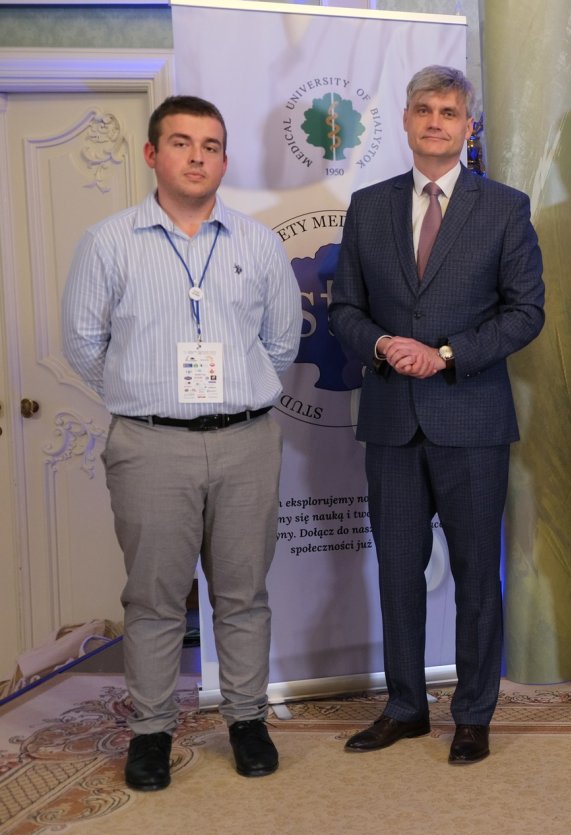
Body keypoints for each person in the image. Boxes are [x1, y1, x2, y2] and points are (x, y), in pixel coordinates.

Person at [62, 96, 301, 790]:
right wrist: (146, 393)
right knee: (155, 599)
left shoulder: (257, 244)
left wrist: (232, 395)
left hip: (245, 442)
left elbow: (281, 343)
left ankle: (247, 720)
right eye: (181, 143)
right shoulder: (108, 242)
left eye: (211, 146)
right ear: (151, 154)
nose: (198, 157)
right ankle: (151, 732)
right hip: (150, 446)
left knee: (243, 594)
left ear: (224, 159)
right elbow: (83, 343)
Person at [329, 66, 545, 765]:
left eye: (449, 112)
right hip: (391, 421)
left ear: (467, 126)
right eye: (424, 109)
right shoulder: (368, 207)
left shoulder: (504, 208)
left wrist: (447, 354)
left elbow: (526, 313)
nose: (435, 122)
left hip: (472, 419)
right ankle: (405, 707)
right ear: (405, 119)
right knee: (398, 572)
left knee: (479, 576)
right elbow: (344, 309)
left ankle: (474, 714)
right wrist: (382, 344)